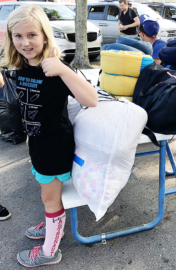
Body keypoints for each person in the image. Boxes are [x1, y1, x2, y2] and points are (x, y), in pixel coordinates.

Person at [0, 5, 98, 267]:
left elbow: (91, 99)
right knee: (49, 195)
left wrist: (63, 69)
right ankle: (53, 221)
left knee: (50, 198)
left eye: (32, 35)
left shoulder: (53, 68)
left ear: (45, 35)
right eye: (17, 36)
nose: (24, 42)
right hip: (38, 143)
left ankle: (49, 252)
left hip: (55, 145)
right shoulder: (21, 66)